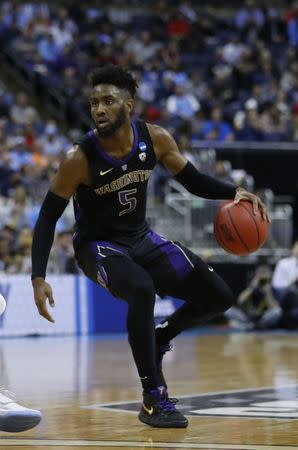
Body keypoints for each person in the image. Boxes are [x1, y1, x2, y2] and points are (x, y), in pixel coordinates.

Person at [31, 65, 268, 429]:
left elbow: (190, 180)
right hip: (98, 247)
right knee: (141, 290)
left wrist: (232, 192)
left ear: (129, 105)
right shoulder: (78, 158)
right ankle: (154, 399)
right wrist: (38, 276)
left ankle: (160, 336)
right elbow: (47, 217)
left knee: (219, 296)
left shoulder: (154, 138)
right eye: (94, 102)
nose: (99, 109)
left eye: (108, 101)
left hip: (141, 238)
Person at [225, 265, 282, 330]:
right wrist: (252, 288)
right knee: (228, 310)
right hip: (247, 316)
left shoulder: (272, 288)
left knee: (277, 312)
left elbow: (274, 308)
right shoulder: (251, 286)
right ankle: (252, 326)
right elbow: (240, 301)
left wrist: (267, 292)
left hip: (262, 318)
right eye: (261, 274)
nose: (262, 280)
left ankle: (251, 326)